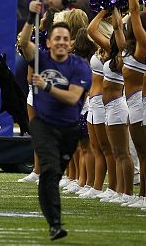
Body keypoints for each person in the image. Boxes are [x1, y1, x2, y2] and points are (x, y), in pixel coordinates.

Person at [18, 15, 91, 241]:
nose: (60, 42)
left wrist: (46, 86)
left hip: (68, 128)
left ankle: (52, 220)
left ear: (70, 43)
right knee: (48, 167)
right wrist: (31, 17)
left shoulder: (79, 66)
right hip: (43, 124)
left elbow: (72, 97)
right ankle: (55, 223)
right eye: (56, 38)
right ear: (48, 42)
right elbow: (22, 43)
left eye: (65, 39)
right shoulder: (40, 59)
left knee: (53, 174)